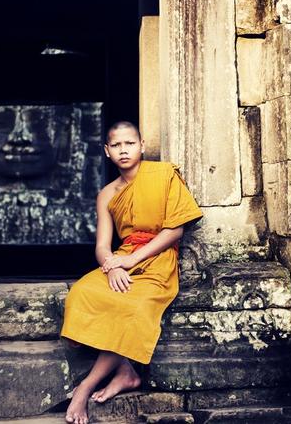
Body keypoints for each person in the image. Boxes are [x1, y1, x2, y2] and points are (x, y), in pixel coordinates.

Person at [60, 121, 203, 424]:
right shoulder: (107, 194)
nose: (123, 150)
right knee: (83, 293)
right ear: (107, 151)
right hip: (122, 259)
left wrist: (132, 260)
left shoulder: (163, 175)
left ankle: (85, 387)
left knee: (132, 307)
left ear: (141, 145)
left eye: (129, 143)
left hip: (158, 258)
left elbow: (175, 230)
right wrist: (112, 265)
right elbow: (102, 246)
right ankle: (125, 371)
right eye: (116, 145)